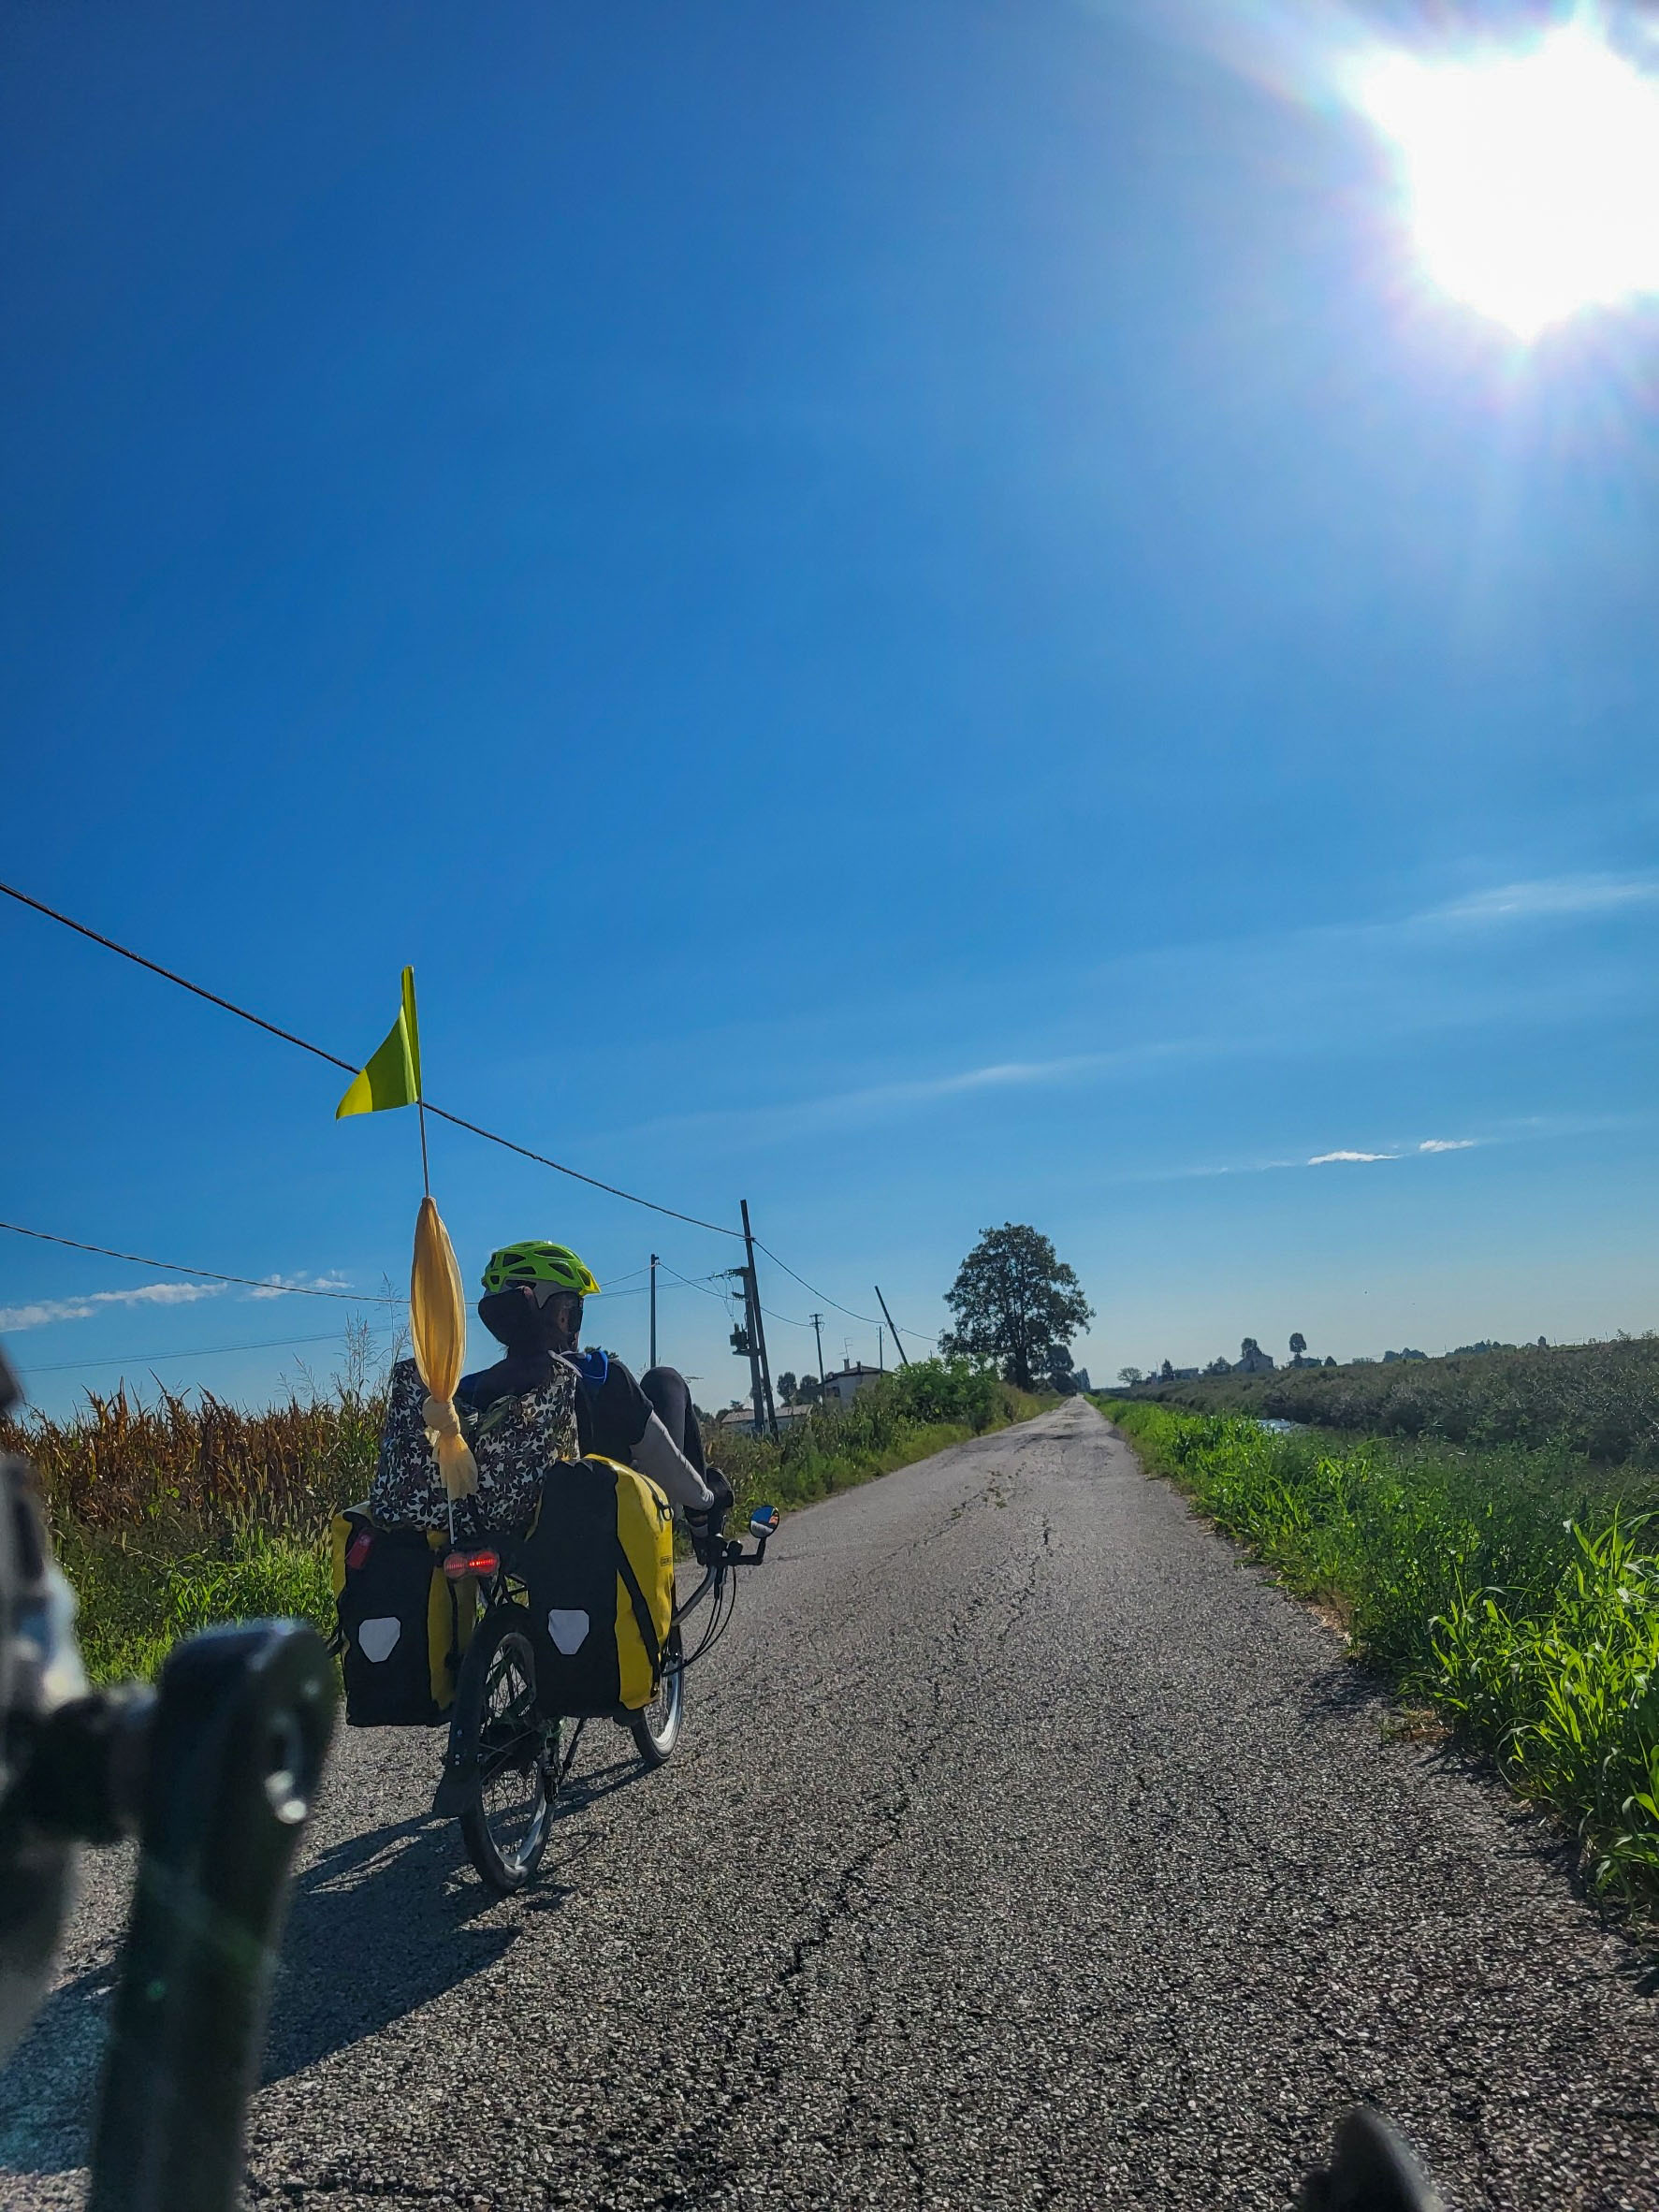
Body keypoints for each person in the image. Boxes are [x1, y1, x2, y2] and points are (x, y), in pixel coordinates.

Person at [458, 1239, 732, 1554]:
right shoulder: (600, 1375)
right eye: (575, 1310)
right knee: (665, 1379)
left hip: (512, 1550)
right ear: (562, 1315)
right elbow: (662, 1458)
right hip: (613, 1539)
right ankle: (702, 1524)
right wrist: (707, 1498)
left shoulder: (469, 1390)